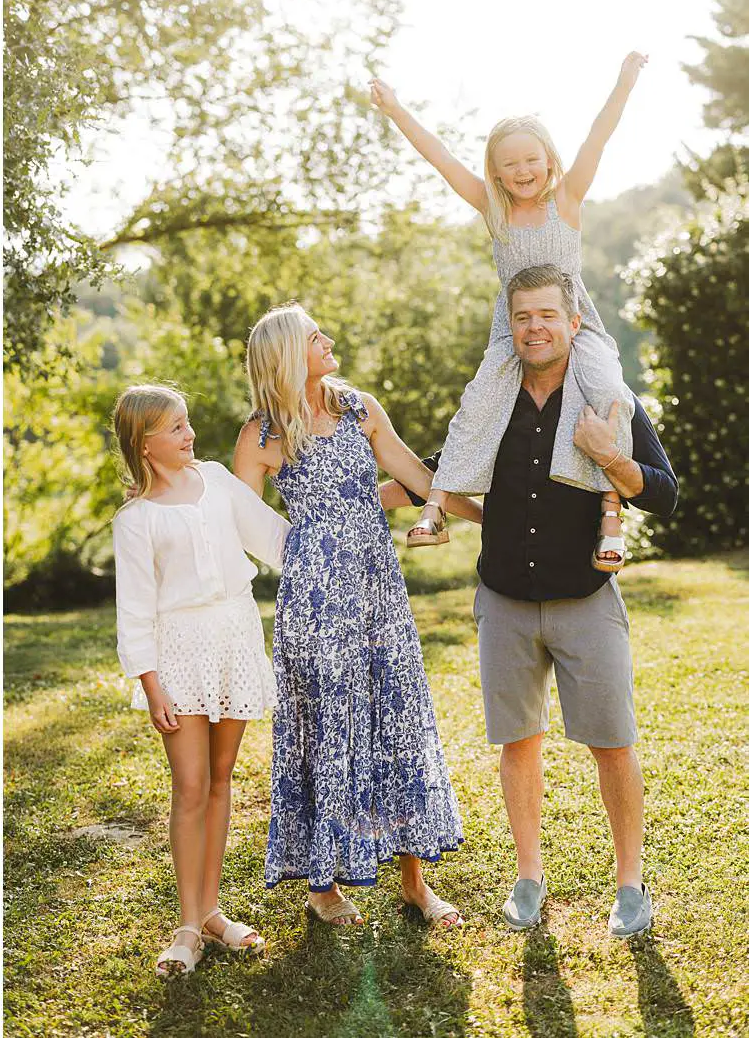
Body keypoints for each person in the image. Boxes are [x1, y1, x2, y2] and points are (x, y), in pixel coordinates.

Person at [384, 263, 678, 938]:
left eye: (547, 315)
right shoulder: (492, 402)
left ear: (574, 323)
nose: (534, 328)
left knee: (613, 742)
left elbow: (664, 492)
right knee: (518, 742)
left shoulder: (608, 398)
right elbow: (439, 471)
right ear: (509, 326)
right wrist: (350, 502)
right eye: (522, 317)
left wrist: (612, 457)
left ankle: (630, 885)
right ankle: (527, 878)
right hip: (505, 600)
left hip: (586, 598)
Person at [234, 305, 477, 929]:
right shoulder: (261, 436)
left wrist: (488, 511)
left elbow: (416, 476)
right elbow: (240, 526)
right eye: (314, 336)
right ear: (287, 355)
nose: (328, 340)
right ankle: (323, 887)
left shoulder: (359, 409)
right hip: (314, 601)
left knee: (397, 718)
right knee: (327, 729)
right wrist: (303, 549)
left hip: (377, 590)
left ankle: (414, 883)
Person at [370, 52, 648, 572]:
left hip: (572, 319)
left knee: (609, 389)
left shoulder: (566, 200)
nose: (522, 171)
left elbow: (598, 137)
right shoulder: (492, 207)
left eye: (531, 160)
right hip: (514, 325)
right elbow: (441, 158)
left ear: (549, 160)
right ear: (495, 171)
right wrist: (396, 110)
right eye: (510, 163)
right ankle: (435, 508)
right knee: (480, 400)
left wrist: (624, 83)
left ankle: (611, 517)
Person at [111, 384, 290, 977]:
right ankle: (187, 925)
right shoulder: (135, 520)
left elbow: (275, 539)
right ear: (145, 443)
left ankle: (211, 911)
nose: (189, 434)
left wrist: (342, 529)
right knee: (189, 785)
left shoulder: (215, 479)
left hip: (235, 636)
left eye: (187, 422)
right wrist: (151, 683)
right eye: (175, 428)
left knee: (220, 778)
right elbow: (135, 610)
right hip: (179, 653)